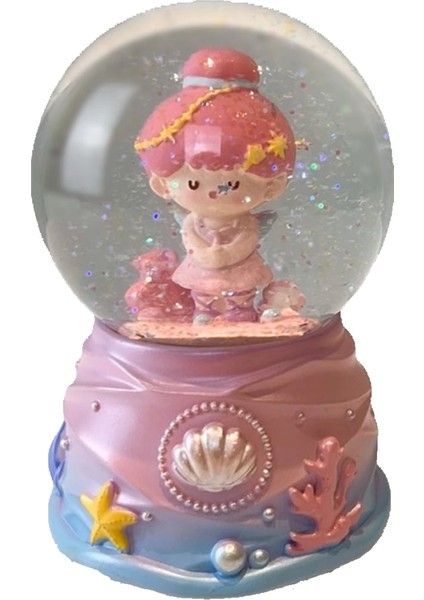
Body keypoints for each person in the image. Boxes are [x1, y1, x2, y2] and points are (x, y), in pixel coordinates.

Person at [135, 48, 295, 323]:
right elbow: (190, 238)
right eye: (193, 183)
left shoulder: (246, 224)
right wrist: (206, 254)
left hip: (238, 266)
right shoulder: (193, 222)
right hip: (202, 266)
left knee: (240, 290)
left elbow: (246, 240)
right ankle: (205, 311)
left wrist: (226, 253)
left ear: (272, 186)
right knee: (203, 291)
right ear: (162, 185)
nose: (214, 193)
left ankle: (239, 310)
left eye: (232, 184)